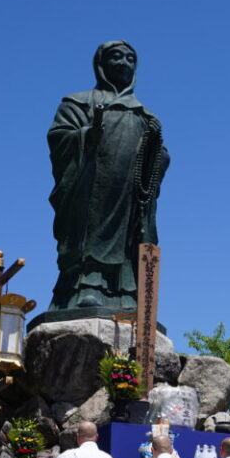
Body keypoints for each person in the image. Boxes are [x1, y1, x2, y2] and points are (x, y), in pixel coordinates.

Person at [46, 40, 170, 314]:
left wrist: (156, 151)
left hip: (128, 192)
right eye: (116, 57)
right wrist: (87, 136)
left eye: (130, 59)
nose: (124, 63)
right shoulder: (78, 102)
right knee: (92, 230)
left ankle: (126, 294)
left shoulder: (144, 115)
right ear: (101, 65)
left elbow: (162, 156)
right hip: (90, 187)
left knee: (129, 238)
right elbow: (59, 138)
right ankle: (86, 286)